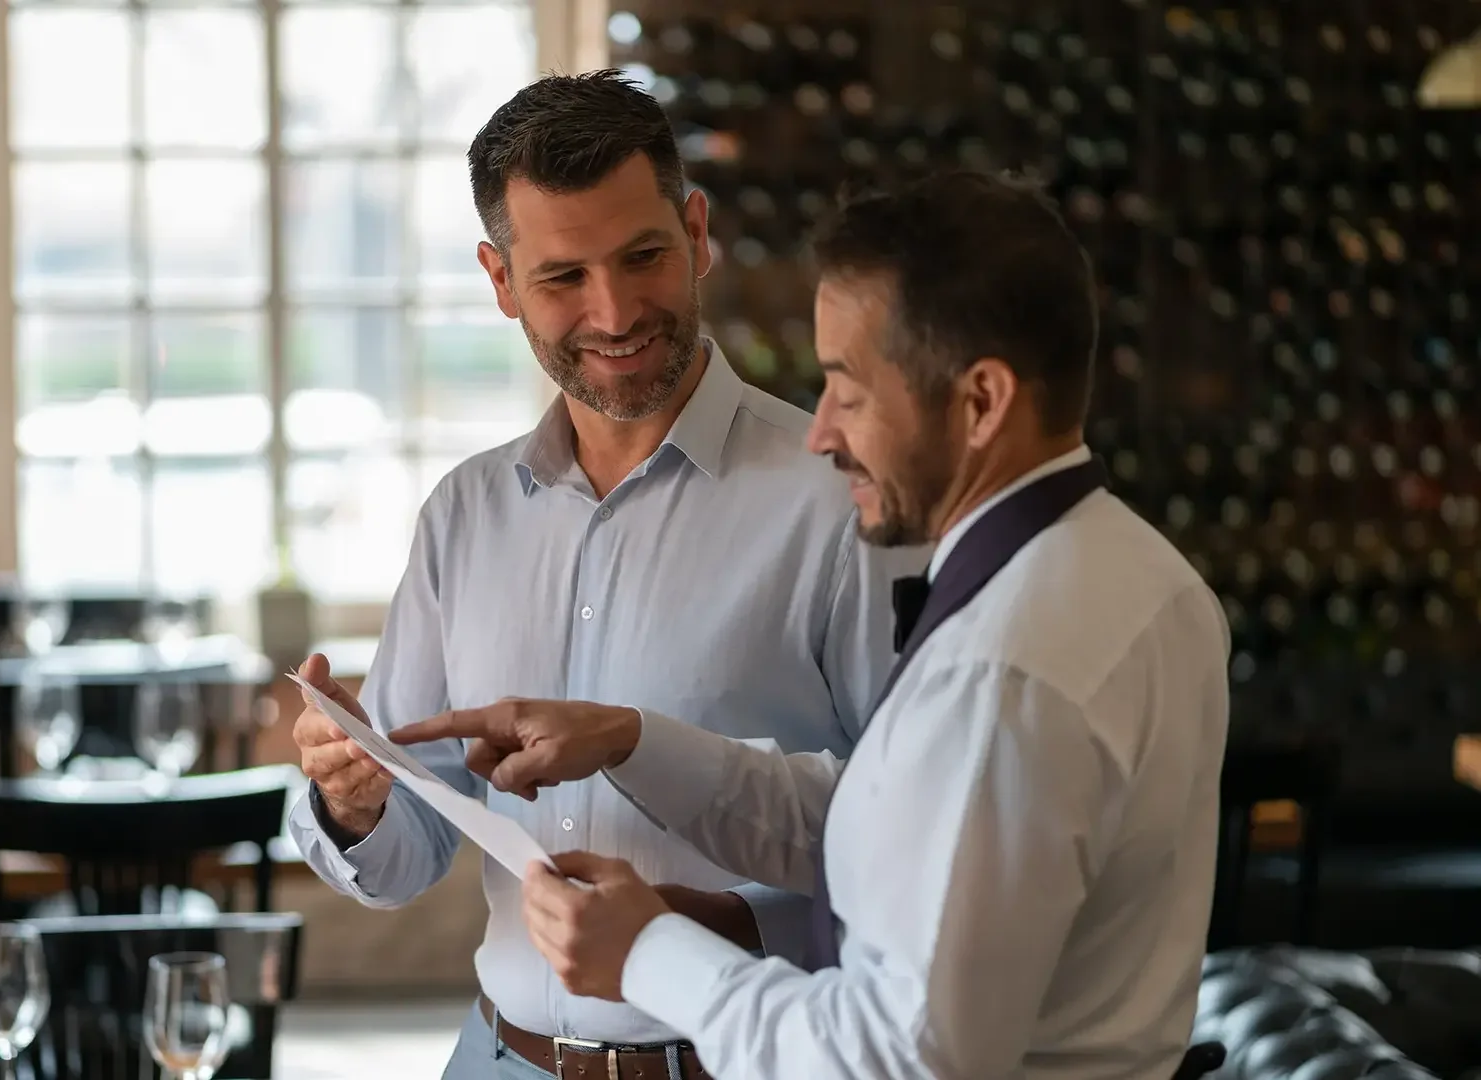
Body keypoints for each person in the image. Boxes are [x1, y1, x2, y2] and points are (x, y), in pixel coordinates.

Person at [393, 171, 1234, 1080]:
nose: (821, 434)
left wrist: (649, 955)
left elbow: (888, 1059)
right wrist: (634, 743)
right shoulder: (1142, 573)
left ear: (981, 402)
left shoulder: (1000, 671)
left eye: (848, 390)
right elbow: (892, 825)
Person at [286, 70, 926, 1080]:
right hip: (495, 1060)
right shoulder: (463, 515)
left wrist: (723, 925)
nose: (615, 311)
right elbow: (406, 852)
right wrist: (350, 802)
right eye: (562, 278)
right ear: (500, 281)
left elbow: (920, 819)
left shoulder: (842, 501)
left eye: (642, 257)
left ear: (696, 232)